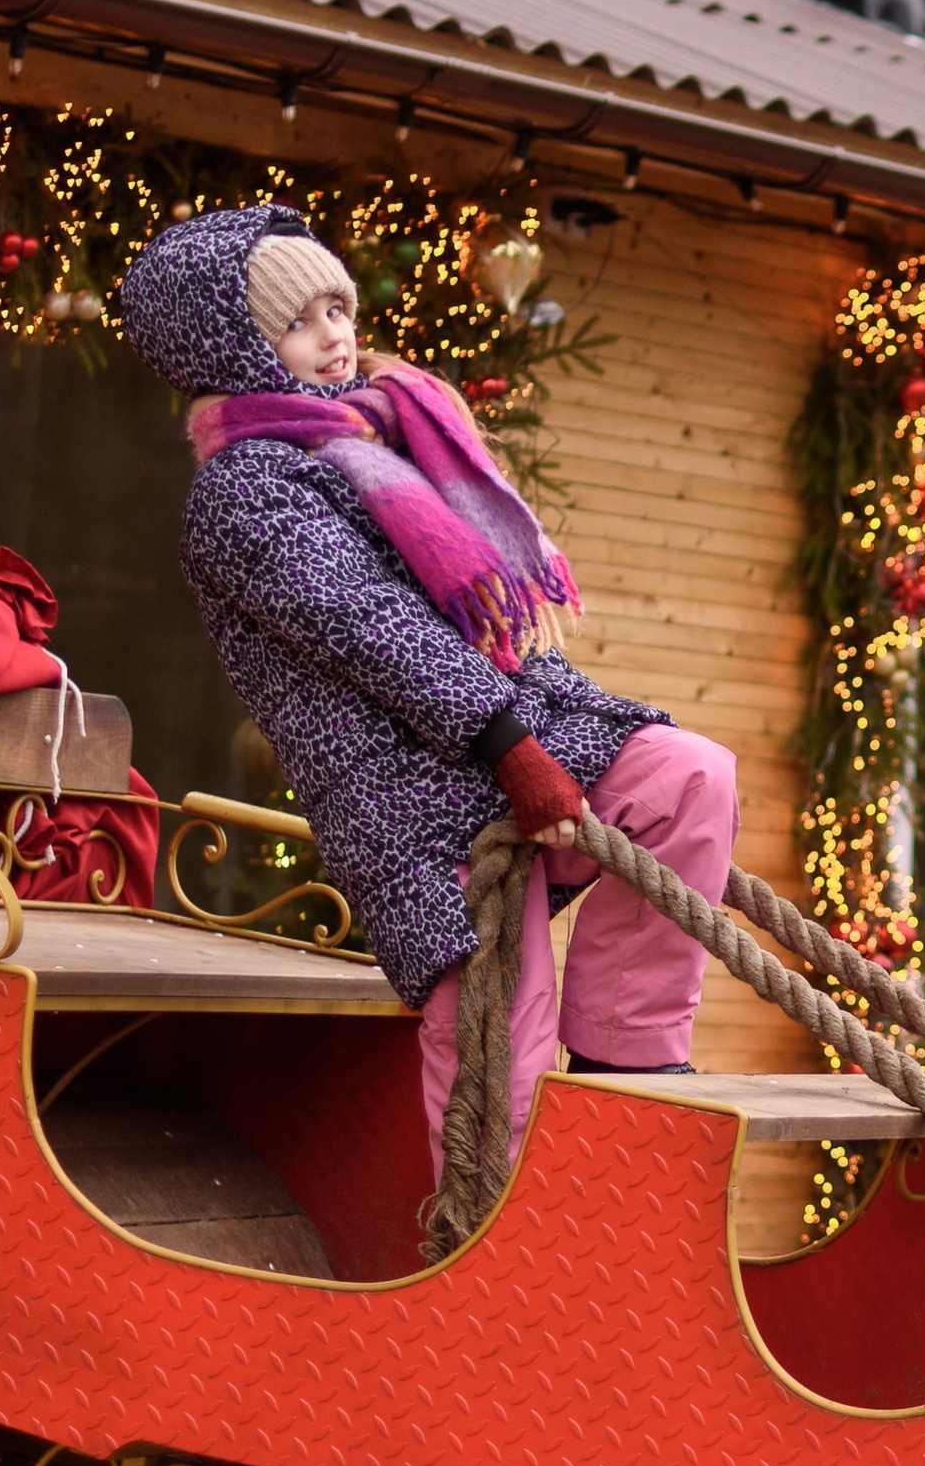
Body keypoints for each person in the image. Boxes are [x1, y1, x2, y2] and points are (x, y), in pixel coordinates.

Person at [119, 207, 739, 1177]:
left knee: (686, 779)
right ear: (233, 346)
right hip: (412, 805)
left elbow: (490, 629)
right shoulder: (243, 490)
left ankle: (630, 1067)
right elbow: (378, 630)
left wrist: (557, 723)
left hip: (508, 741)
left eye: (339, 307)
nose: (335, 335)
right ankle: (488, 1255)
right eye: (300, 322)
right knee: (500, 1046)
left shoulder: (388, 437)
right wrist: (513, 747)